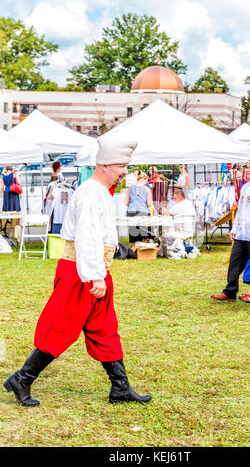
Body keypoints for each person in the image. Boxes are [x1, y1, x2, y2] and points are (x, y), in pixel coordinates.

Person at [3, 138, 152, 407]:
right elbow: (86, 236)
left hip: (94, 270)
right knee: (62, 327)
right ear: (104, 165)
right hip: (81, 272)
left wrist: (101, 270)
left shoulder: (101, 192)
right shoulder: (89, 193)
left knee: (105, 328)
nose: (124, 172)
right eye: (121, 166)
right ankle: (22, 379)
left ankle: (120, 387)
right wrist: (94, 275)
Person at [211, 158, 250, 302]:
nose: (248, 170)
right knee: (235, 263)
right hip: (242, 233)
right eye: (247, 167)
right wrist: (234, 228)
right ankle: (230, 291)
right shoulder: (245, 187)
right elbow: (240, 210)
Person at [124, 171, 154, 247]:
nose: (146, 182)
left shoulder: (129, 188)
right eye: (146, 180)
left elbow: (126, 202)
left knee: (133, 234)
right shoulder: (147, 189)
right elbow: (149, 204)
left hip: (131, 211)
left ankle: (133, 250)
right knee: (143, 233)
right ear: (142, 179)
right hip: (143, 211)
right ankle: (143, 252)